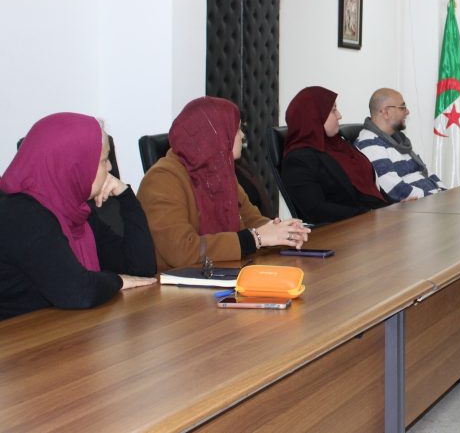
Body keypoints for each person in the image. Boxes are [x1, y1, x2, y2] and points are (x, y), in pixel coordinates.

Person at [0, 113, 156, 319]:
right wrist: (118, 281)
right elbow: (77, 291)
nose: (110, 167)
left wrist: (125, 196)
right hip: (17, 335)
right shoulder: (24, 216)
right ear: (73, 165)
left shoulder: (76, 212)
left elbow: (140, 269)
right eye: (103, 160)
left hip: (61, 328)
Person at [138, 97, 309, 271]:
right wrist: (255, 238)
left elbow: (251, 219)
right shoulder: (161, 179)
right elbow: (182, 250)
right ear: (214, 135)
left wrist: (282, 232)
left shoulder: (220, 173)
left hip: (220, 273)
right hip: (175, 283)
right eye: (237, 129)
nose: (243, 136)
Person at [282, 86, 389, 222]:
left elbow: (370, 187)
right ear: (314, 116)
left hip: (371, 220)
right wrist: (369, 215)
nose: (339, 115)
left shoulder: (340, 145)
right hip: (347, 228)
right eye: (333, 110)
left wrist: (393, 205)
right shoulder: (298, 160)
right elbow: (316, 210)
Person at [355, 88, 445, 202]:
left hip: (430, 201)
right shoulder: (369, 143)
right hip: (416, 207)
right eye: (402, 107)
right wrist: (435, 198)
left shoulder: (399, 140)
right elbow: (395, 190)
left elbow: (425, 172)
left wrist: (444, 192)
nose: (407, 112)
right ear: (386, 112)